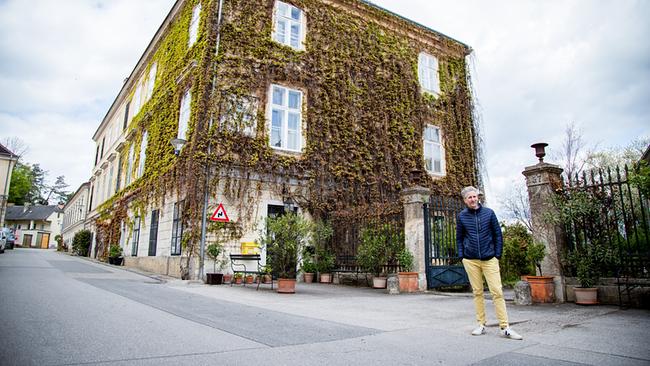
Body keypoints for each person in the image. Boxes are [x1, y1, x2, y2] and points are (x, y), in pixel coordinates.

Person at [456, 186, 523, 340]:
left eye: (474, 197)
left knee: (497, 292)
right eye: (469, 198)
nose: (472, 200)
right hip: (471, 260)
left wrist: (497, 254)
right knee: (477, 292)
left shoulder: (489, 213)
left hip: (489, 258)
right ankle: (481, 324)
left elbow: (498, 235)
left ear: (478, 197)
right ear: (465, 200)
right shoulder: (462, 216)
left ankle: (505, 327)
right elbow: (459, 238)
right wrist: (462, 256)